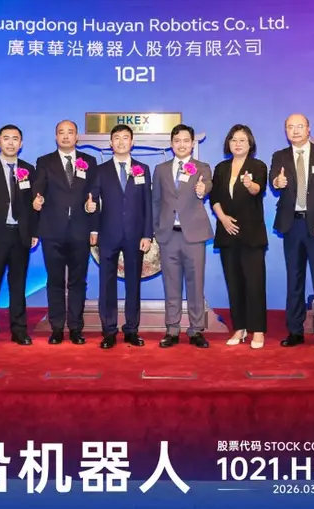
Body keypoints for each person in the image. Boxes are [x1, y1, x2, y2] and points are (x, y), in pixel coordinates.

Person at [270, 113, 314, 350]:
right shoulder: (280, 156)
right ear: (286, 131)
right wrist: (277, 183)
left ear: (308, 129)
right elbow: (274, 180)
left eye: (299, 126)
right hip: (292, 225)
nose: (295, 130)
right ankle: (295, 331)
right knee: (294, 279)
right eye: (290, 127)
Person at [32, 120, 98, 345]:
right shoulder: (44, 161)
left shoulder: (89, 161)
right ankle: (57, 327)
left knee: (78, 282)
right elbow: (37, 188)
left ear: (77, 137)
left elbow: (94, 194)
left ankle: (76, 328)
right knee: (55, 281)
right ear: (56, 137)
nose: (66, 136)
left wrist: (93, 221)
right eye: (61, 132)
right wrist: (36, 199)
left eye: (70, 132)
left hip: (81, 229)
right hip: (52, 230)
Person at [87, 125, 153, 349]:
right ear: (110, 143)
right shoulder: (101, 170)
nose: (121, 142)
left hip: (135, 235)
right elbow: (93, 202)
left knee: (133, 283)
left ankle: (132, 330)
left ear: (132, 142)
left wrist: (147, 234)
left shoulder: (143, 169)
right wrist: (93, 226)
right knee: (107, 284)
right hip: (108, 233)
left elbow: (147, 204)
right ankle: (109, 331)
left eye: (126, 138)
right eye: (117, 138)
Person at [0, 125, 38, 347]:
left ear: (21, 143)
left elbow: (32, 203)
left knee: (18, 285)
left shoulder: (29, 169)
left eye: (15, 139)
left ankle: (19, 330)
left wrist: (34, 231)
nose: (10, 143)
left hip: (20, 235)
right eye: (6, 138)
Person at [152, 124, 213, 348]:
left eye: (186, 140)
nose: (182, 145)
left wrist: (203, 189)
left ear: (192, 143)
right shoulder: (160, 169)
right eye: (177, 141)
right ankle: (172, 329)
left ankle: (196, 330)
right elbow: (156, 202)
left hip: (194, 236)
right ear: (171, 144)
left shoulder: (202, 167)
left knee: (196, 285)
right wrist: (156, 230)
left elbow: (207, 184)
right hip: (168, 236)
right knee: (171, 284)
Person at [211, 125, 268, 349]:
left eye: (242, 140)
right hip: (227, 232)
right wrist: (223, 218)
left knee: (255, 283)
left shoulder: (258, 166)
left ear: (250, 143)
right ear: (228, 143)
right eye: (234, 139)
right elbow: (214, 197)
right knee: (234, 284)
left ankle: (258, 330)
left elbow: (258, 190)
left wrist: (249, 184)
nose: (238, 144)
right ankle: (240, 328)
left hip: (251, 234)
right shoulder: (221, 168)